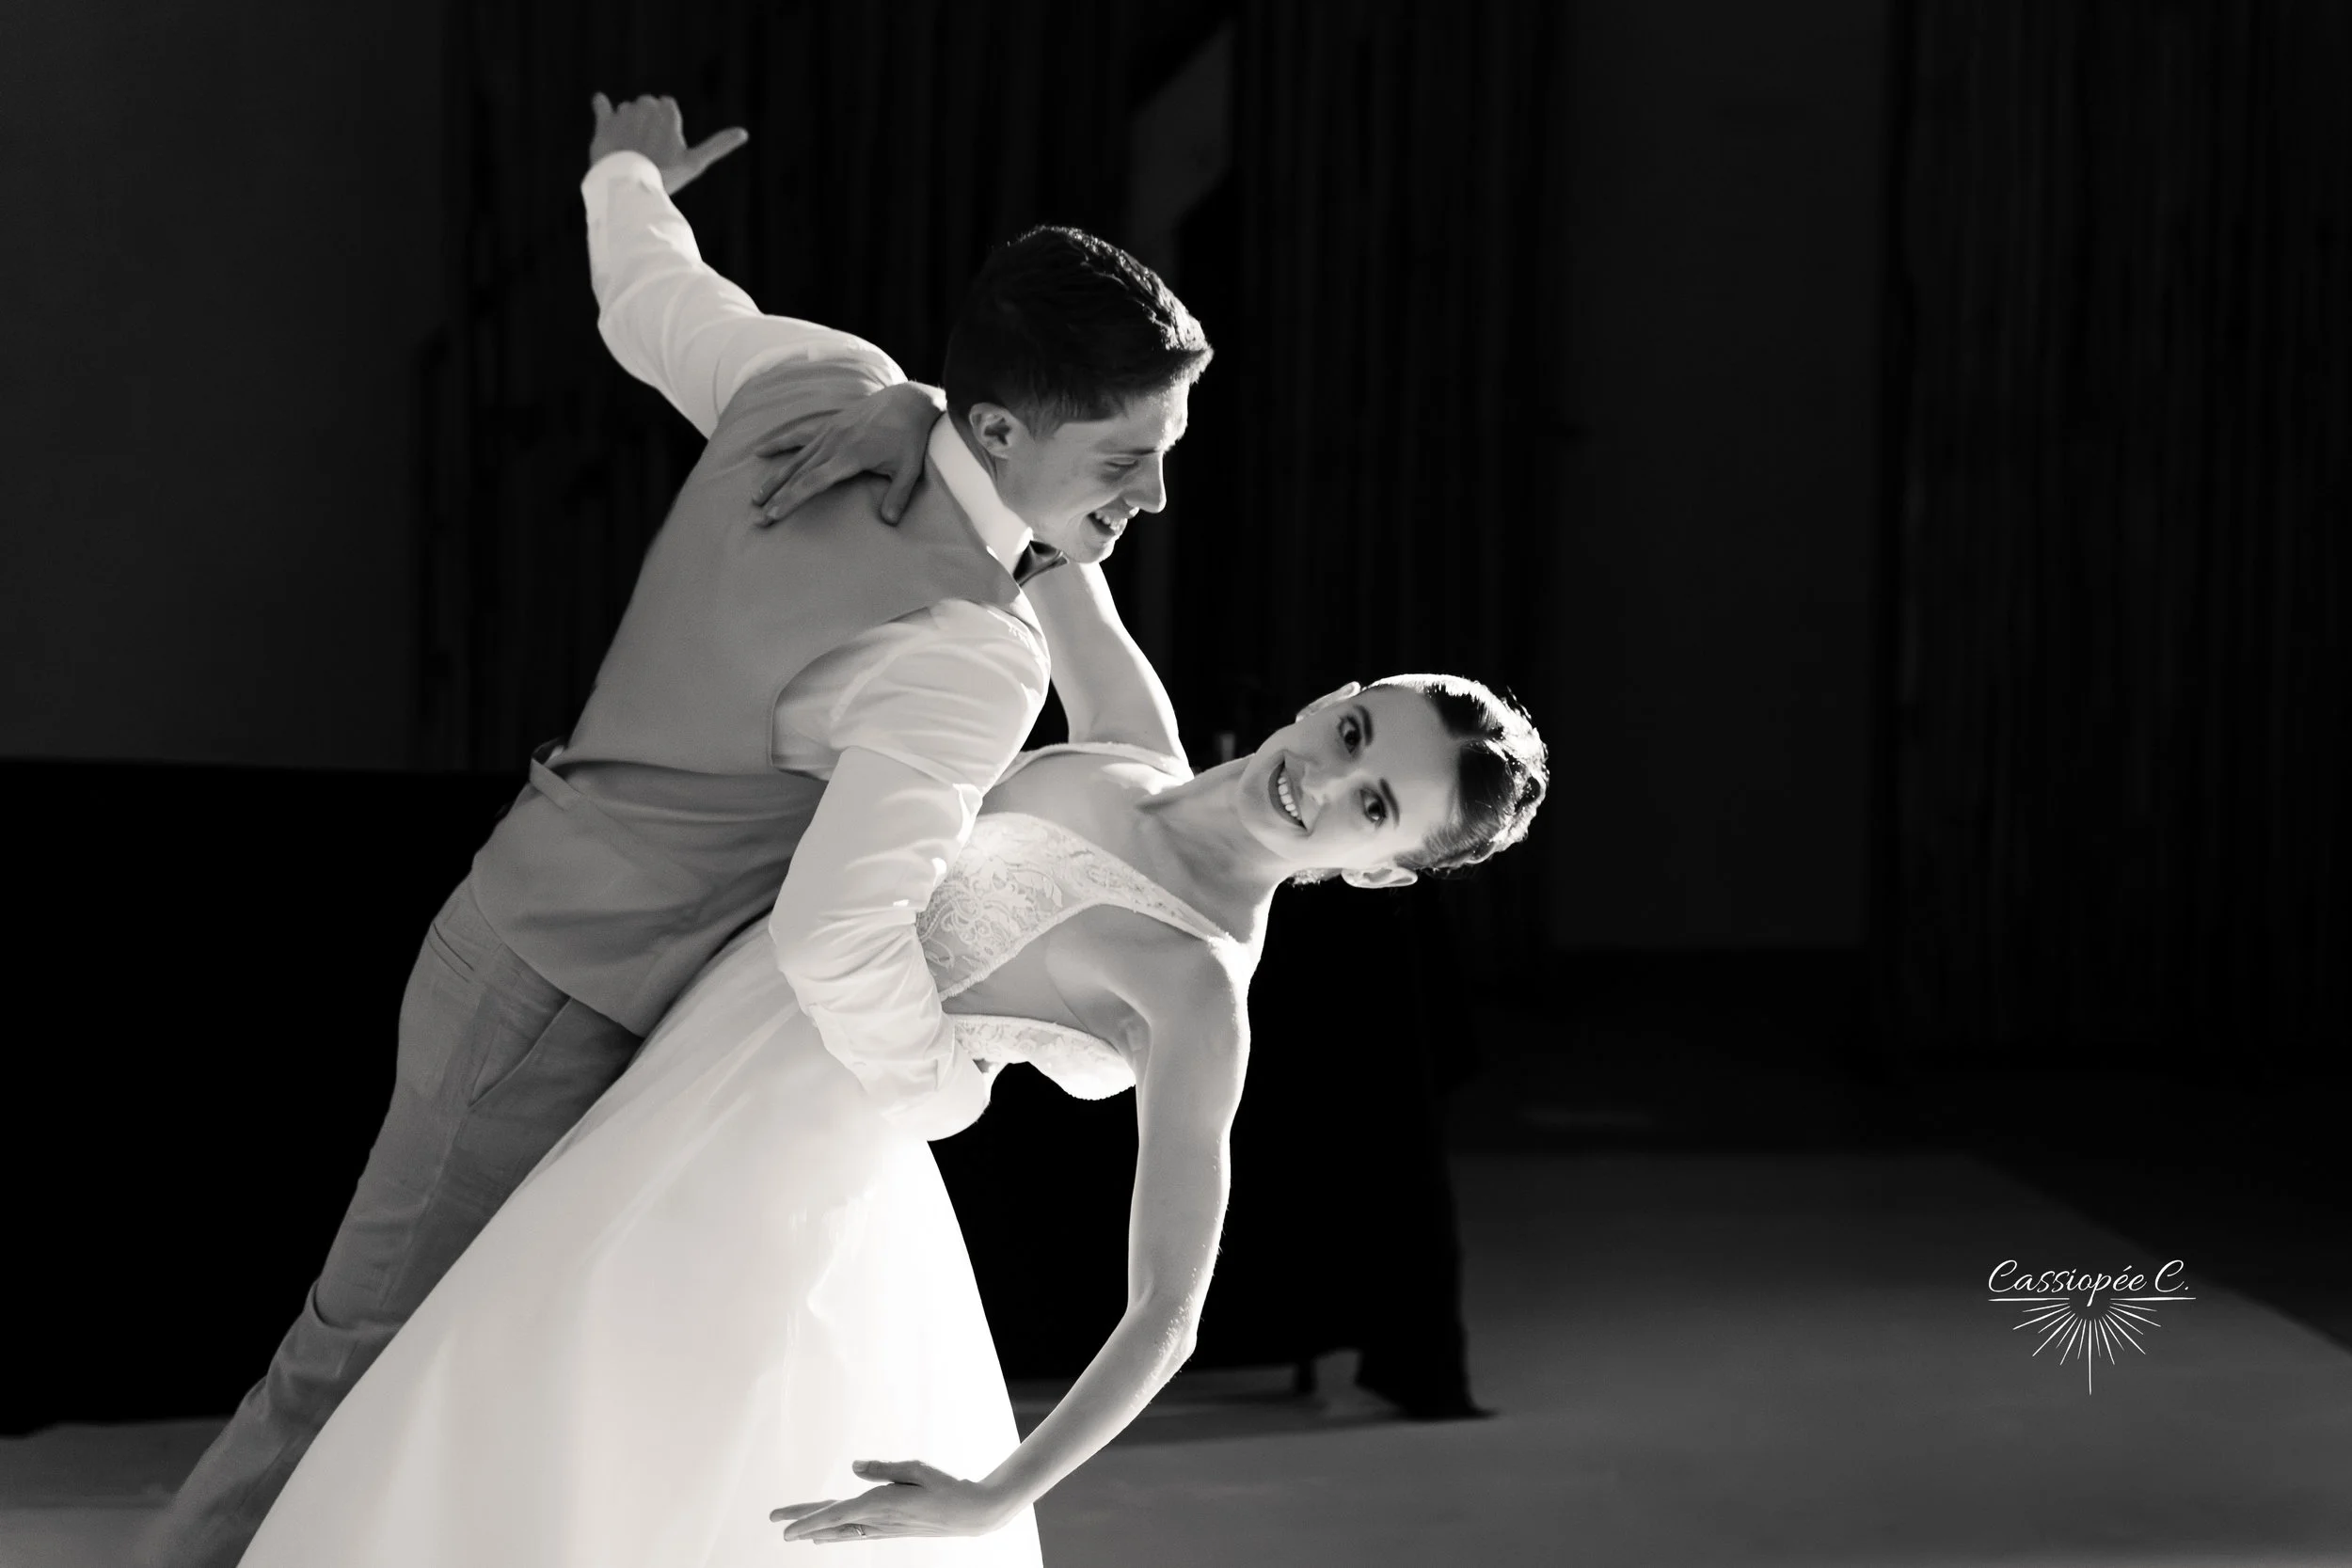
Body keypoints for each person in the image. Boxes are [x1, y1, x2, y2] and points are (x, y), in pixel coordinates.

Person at [140, 92, 1206, 1568]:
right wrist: (936, 1090)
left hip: (554, 961)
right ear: (1003, 427)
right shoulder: (972, 651)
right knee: (355, 1375)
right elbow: (836, 928)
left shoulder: (822, 378)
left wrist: (626, 176)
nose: (1157, 492)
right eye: (1123, 459)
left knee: (479, 1403)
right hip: (561, 1001)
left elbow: (655, 303)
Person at [229, 499, 1549, 1560]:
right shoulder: (1129, 736)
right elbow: (1041, 515)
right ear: (1335, 693)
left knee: (589, 1428)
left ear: (1382, 874)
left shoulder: (1196, 986)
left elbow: (1167, 1311)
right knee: (504, 1402)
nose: (1325, 776)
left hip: (776, 1162)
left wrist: (995, 1495)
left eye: (1374, 807)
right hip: (701, 1018)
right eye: (1355, 731)